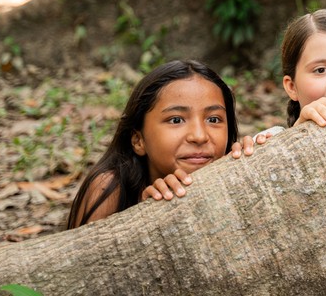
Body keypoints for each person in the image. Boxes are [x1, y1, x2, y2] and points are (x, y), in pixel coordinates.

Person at [67, 59, 249, 228]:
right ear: (138, 140)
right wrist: (147, 218)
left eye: (213, 119)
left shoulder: (236, 173)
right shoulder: (109, 188)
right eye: (176, 120)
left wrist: (252, 161)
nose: (199, 136)